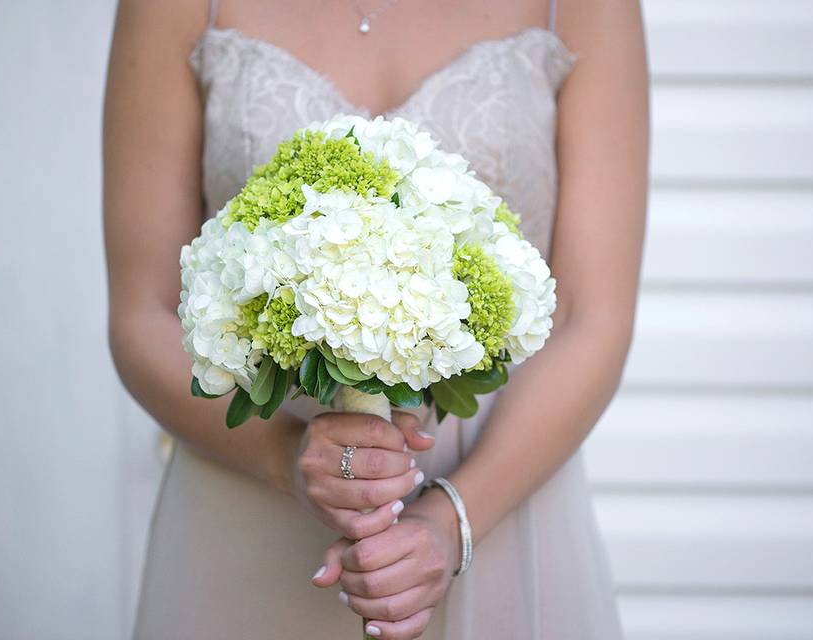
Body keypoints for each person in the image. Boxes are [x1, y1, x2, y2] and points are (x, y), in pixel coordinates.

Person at [103, 0, 648, 637]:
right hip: (249, 487)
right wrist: (289, 459)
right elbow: (143, 313)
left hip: (500, 492)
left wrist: (452, 521)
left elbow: (592, 317)